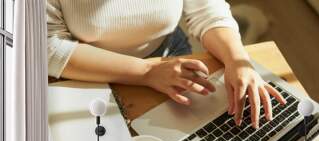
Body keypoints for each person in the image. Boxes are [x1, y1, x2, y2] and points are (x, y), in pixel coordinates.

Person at [47, 0, 286, 129]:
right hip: (87, 70)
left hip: (169, 56)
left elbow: (206, 10)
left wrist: (238, 61)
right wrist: (146, 72)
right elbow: (49, 47)